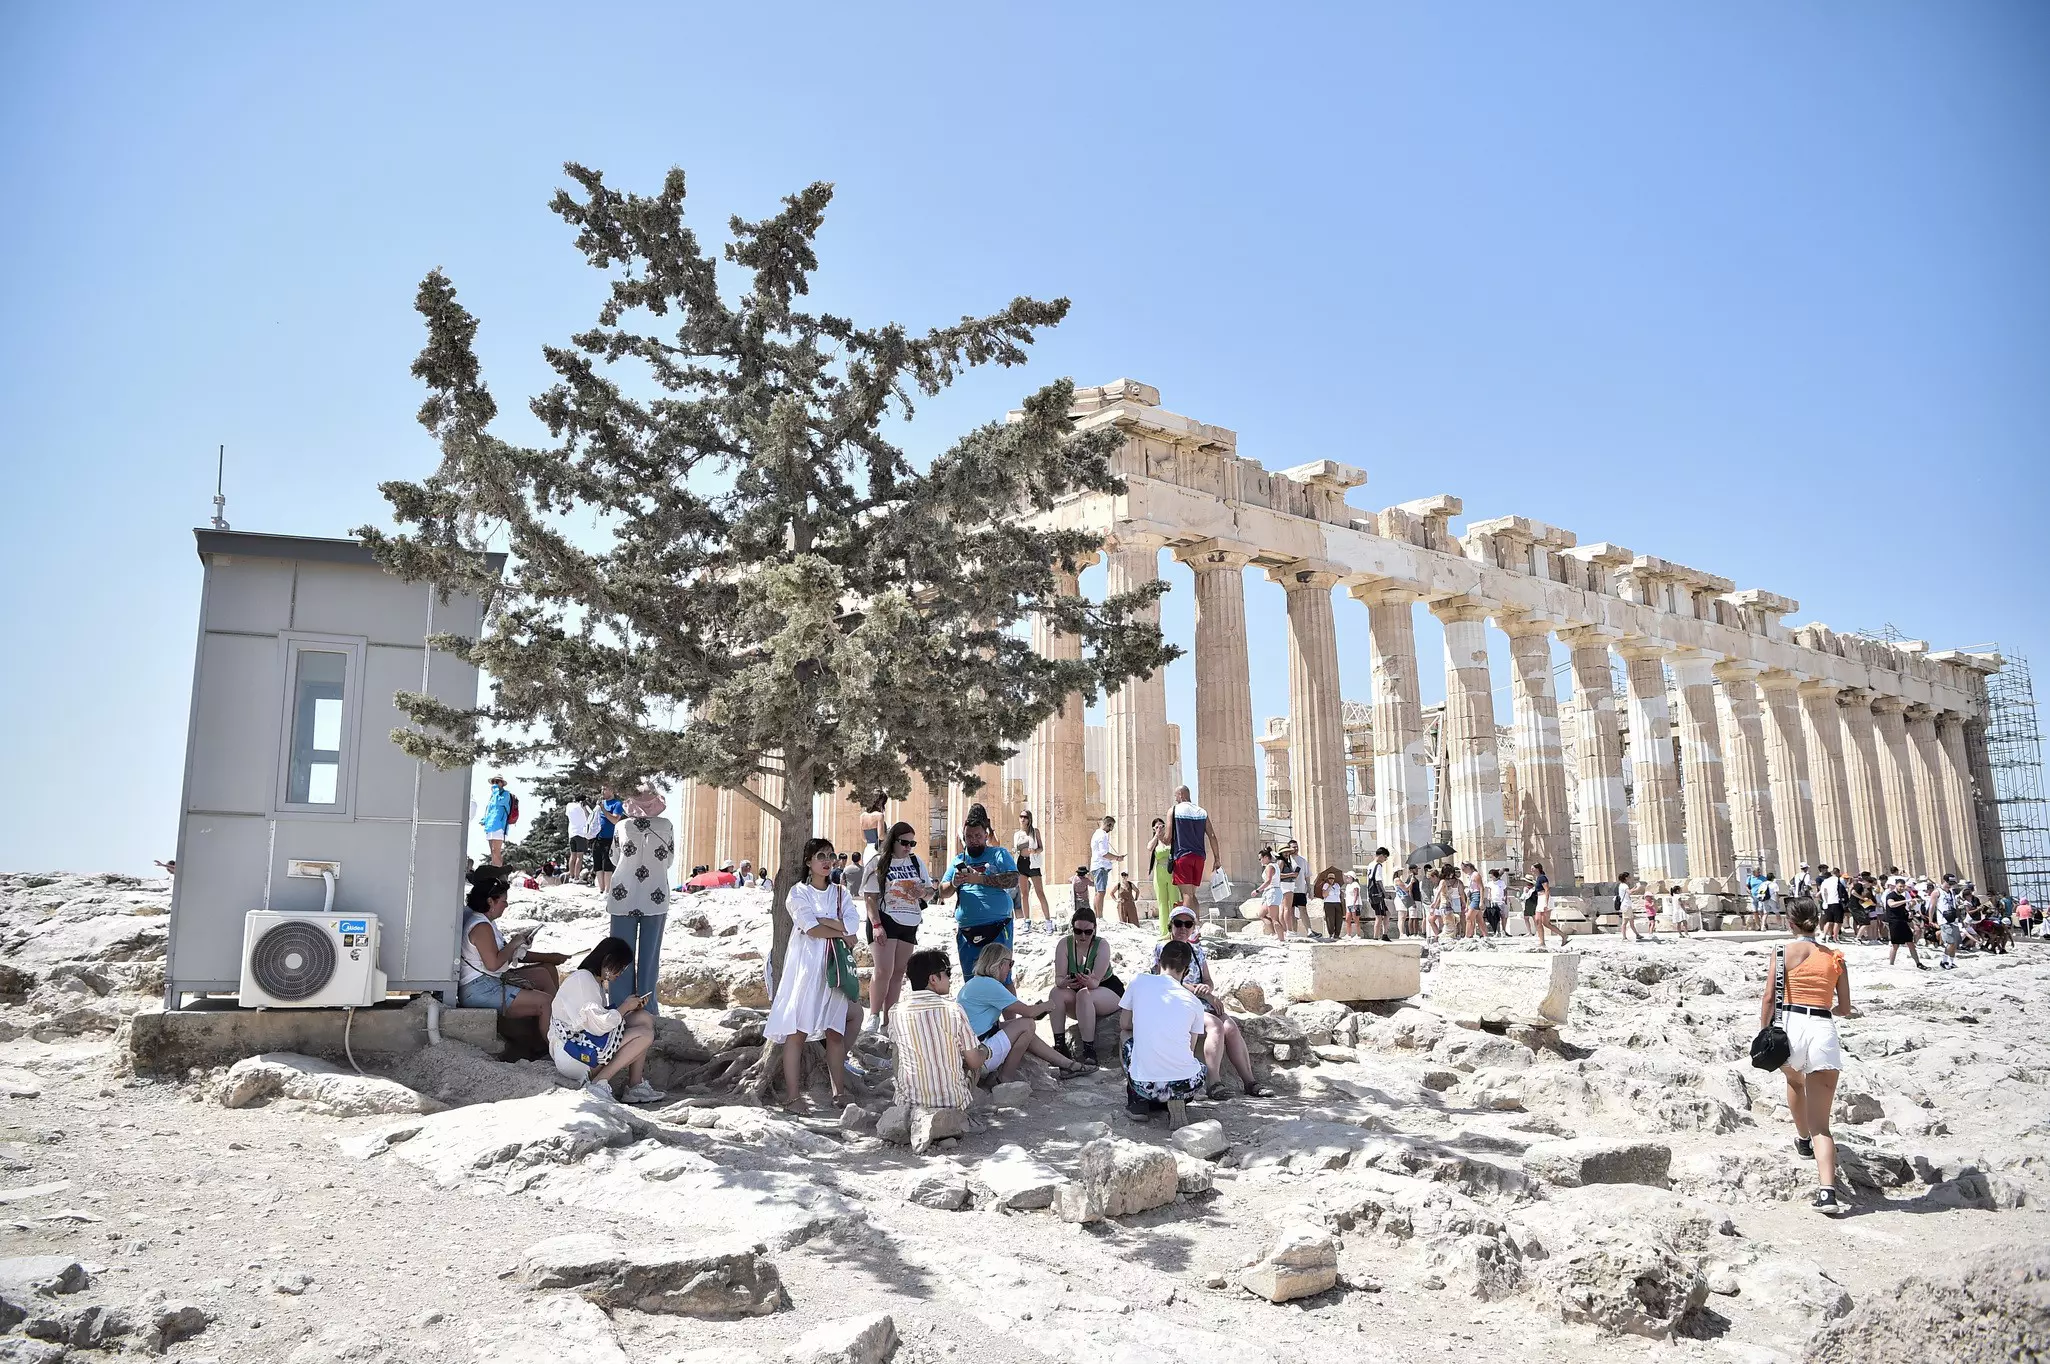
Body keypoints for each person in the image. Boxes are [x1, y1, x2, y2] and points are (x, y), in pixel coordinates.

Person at [1761, 900, 1853, 1215]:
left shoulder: (1781, 952)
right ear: (1817, 923)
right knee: (1823, 1127)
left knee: (1794, 1080)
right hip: (1822, 1028)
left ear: (1791, 923)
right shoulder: (1836, 957)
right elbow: (1844, 1009)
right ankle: (1828, 1192)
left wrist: (1764, 1031)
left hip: (1790, 1025)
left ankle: (1801, 1140)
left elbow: (1770, 996)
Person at [765, 836, 862, 1108]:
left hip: (835, 970)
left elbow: (852, 924)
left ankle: (838, 1092)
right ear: (808, 862)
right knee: (797, 1032)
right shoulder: (798, 892)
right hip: (806, 969)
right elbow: (809, 927)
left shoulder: (841, 893)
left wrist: (829, 923)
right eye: (820, 856)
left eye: (830, 855)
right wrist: (839, 930)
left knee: (835, 1032)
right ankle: (793, 1097)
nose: (827, 861)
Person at [1153, 907, 1263, 1099]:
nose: (1183, 928)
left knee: (1230, 1026)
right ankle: (1214, 1081)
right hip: (1179, 1002)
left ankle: (1249, 1081)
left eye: (1188, 924)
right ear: (1171, 926)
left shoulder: (1196, 950)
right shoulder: (1163, 949)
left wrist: (1207, 989)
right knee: (1216, 1025)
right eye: (1178, 924)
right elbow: (1164, 979)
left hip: (1201, 1001)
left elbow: (1208, 980)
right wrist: (1201, 993)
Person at [549, 936, 663, 1104]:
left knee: (642, 1017)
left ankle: (635, 1085)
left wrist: (631, 1009)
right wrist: (624, 1007)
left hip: (584, 1042)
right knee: (644, 1035)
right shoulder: (583, 979)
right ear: (608, 960)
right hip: (573, 1053)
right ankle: (599, 1084)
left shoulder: (595, 981)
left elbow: (597, 1021)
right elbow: (598, 1026)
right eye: (620, 967)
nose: (620, 973)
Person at [957, 945, 1087, 1083]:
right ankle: (1005, 1077)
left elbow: (986, 1025)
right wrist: (1047, 1004)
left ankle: (1067, 1065)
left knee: (1022, 1026)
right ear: (1000, 964)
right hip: (980, 1054)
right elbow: (1028, 1012)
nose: (1010, 969)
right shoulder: (990, 985)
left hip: (973, 1050)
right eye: (1010, 964)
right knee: (1027, 1025)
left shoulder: (974, 983)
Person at [888, 948, 986, 1118]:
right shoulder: (954, 1009)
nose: (950, 978)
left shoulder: (895, 1011)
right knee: (974, 1055)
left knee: (899, 1051)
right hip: (953, 1103)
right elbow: (974, 1062)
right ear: (933, 979)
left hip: (911, 1105)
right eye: (947, 972)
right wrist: (986, 1051)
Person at [1122, 938, 1211, 1125]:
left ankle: (1138, 1102)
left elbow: (1124, 1024)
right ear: (1186, 971)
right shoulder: (1194, 1002)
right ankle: (1175, 1099)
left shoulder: (1139, 981)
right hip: (1186, 1083)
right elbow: (1191, 1047)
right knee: (1195, 1065)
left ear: (1158, 962)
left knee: (1126, 1038)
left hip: (1145, 1083)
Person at [456, 869, 555, 1028]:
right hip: (480, 987)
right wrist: (514, 943)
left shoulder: (483, 920)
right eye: (503, 901)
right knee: (546, 1002)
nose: (506, 904)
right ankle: (554, 1044)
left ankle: (545, 1034)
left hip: (484, 981)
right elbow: (493, 964)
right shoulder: (481, 926)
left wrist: (517, 945)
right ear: (490, 902)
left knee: (543, 975)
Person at [606, 789, 674, 1017]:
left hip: (623, 895)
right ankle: (647, 1007)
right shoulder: (666, 825)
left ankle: (619, 1005)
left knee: (620, 954)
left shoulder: (621, 827)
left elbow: (614, 858)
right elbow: (670, 859)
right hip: (655, 895)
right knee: (649, 955)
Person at [861, 820, 931, 1031]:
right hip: (885, 919)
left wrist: (924, 893)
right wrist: (876, 925)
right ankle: (873, 1015)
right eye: (904, 842)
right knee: (883, 970)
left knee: (899, 971)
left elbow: (929, 891)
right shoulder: (879, 862)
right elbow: (870, 897)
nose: (908, 847)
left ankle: (888, 1020)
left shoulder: (917, 862)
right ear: (893, 840)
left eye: (912, 843)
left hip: (910, 921)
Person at [937, 804, 1020, 979]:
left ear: (986, 836)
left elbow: (1013, 879)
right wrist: (954, 883)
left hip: (998, 926)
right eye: (969, 836)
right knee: (971, 979)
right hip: (968, 930)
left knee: (1002, 979)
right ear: (964, 838)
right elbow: (942, 892)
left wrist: (980, 879)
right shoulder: (958, 860)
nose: (973, 840)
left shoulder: (999, 854)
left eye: (978, 836)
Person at [1048, 907, 1125, 1066]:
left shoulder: (1102, 945)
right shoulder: (1064, 944)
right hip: (1077, 989)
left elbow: (1095, 981)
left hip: (1106, 989)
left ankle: (1089, 1049)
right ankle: (1060, 1045)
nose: (1083, 936)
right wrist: (1065, 983)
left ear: (1094, 930)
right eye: (1078, 931)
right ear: (1072, 929)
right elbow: (1059, 979)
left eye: (1088, 932)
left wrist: (1088, 981)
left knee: (1084, 994)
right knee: (1056, 993)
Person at [1166, 786, 1224, 926]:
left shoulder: (1174, 810)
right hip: (1199, 857)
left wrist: (1159, 835)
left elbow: (1168, 838)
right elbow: (1212, 836)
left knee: (1186, 894)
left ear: (1180, 795)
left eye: (1176, 795)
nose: (1175, 798)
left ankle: (1186, 930)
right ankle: (1196, 928)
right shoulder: (1201, 812)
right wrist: (1217, 859)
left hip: (1182, 856)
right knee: (1192, 894)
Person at [1013, 809, 1051, 927]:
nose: (1023, 819)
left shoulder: (1035, 832)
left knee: (1040, 892)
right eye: (1021, 816)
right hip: (1021, 863)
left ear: (1029, 819)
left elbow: (1041, 848)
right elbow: (1015, 849)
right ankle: (1027, 920)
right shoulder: (1017, 834)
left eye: (1025, 817)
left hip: (1033, 863)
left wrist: (1034, 851)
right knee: (1024, 893)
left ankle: (1048, 920)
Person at [590, 783, 624, 895]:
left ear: (612, 790)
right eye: (602, 789)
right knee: (598, 865)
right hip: (597, 838)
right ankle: (601, 889)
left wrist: (604, 810)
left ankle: (608, 890)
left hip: (609, 839)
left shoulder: (617, 804)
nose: (602, 791)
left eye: (605, 789)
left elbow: (615, 820)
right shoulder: (600, 804)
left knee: (607, 866)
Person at [1146, 816, 1175, 938]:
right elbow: (1149, 848)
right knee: (1162, 903)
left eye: (1162, 826)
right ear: (1154, 829)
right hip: (1159, 874)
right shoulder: (1156, 841)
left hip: (1172, 872)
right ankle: (1164, 932)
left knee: (1174, 901)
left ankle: (1174, 929)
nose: (1160, 828)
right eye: (1157, 827)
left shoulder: (1171, 839)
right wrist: (1156, 835)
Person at [1088, 816, 1122, 916]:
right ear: (1109, 825)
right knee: (1101, 892)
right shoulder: (1102, 835)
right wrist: (1117, 858)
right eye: (1112, 827)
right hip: (1101, 867)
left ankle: (1096, 915)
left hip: (1095, 866)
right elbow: (1104, 853)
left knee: (1097, 892)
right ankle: (1099, 916)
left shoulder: (1096, 833)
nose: (1111, 830)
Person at [481, 775, 512, 867]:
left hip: (499, 825)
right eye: (494, 782)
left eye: (497, 781)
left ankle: (498, 872)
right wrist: (484, 820)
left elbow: (499, 802)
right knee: (492, 851)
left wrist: (495, 791)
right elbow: (489, 809)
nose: (495, 784)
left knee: (496, 850)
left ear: (502, 783)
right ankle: (494, 870)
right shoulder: (492, 796)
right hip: (490, 825)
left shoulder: (505, 794)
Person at [1364, 848, 1394, 941]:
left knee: (1387, 914)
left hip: (1372, 893)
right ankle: (1376, 937)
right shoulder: (1378, 866)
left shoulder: (1370, 865)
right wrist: (1384, 893)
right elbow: (1378, 880)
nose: (1385, 860)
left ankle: (1384, 934)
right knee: (1379, 916)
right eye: (1385, 857)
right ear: (1381, 855)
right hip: (1377, 894)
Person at [1256, 847, 1286, 940]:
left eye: (1260, 859)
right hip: (1270, 892)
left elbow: (1268, 881)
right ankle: (1275, 933)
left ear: (1266, 857)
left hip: (1272, 892)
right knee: (1261, 914)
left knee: (1274, 918)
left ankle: (1282, 938)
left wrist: (1257, 890)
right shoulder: (1274, 865)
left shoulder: (1270, 866)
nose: (1260, 861)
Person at [564, 793, 591, 882]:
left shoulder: (569, 806)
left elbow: (567, 815)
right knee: (580, 856)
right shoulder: (583, 807)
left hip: (572, 833)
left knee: (573, 855)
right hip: (581, 833)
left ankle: (571, 876)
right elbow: (589, 817)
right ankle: (576, 877)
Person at [1818, 865, 1848, 944]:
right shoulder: (1838, 880)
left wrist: (1825, 901)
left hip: (1827, 903)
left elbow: (1821, 893)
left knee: (1829, 921)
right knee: (1837, 922)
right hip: (1836, 902)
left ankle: (1824, 936)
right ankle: (1835, 937)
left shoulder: (1825, 881)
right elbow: (1842, 890)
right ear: (1838, 873)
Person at [1314, 866, 1345, 940]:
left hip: (1337, 903)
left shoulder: (1337, 885)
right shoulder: (1325, 885)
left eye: (1333, 878)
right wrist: (1329, 887)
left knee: (1338, 919)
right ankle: (1331, 933)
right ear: (1328, 879)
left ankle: (1337, 934)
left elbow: (1339, 894)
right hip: (1329, 903)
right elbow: (1324, 895)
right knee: (1330, 919)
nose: (1332, 880)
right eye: (1330, 878)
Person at [1342, 871, 1363, 939]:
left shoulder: (1355, 884)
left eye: (1348, 877)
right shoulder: (1348, 886)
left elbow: (1356, 894)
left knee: (1356, 919)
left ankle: (1358, 935)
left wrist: (1354, 903)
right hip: (1349, 904)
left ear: (1352, 877)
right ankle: (1348, 935)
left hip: (1355, 904)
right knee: (1347, 919)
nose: (1347, 878)